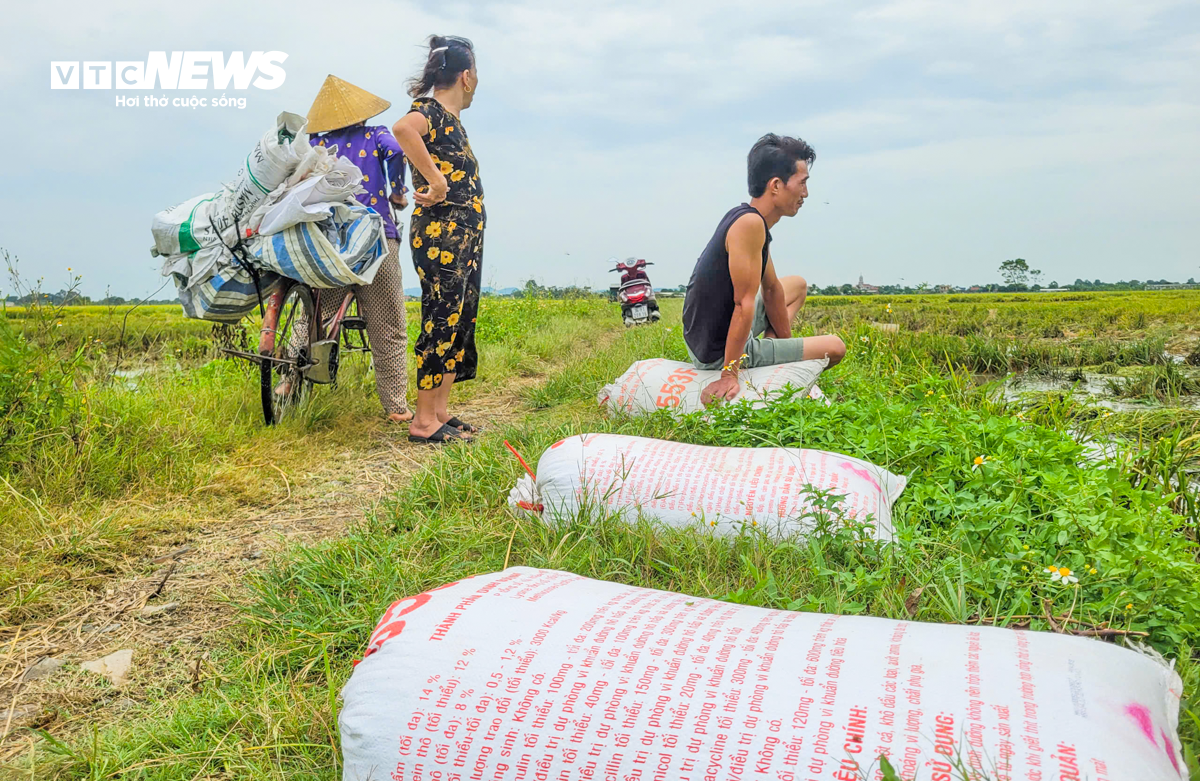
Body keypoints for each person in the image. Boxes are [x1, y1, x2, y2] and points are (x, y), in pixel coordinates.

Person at [682, 133, 846, 407]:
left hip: (712, 331)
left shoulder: (748, 217)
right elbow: (743, 304)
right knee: (836, 347)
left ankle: (774, 360)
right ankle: (752, 365)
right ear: (776, 185)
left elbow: (771, 290)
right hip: (715, 350)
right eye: (802, 183)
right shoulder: (750, 225)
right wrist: (728, 374)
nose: (805, 193)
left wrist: (787, 349)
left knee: (796, 286)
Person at [286, 75, 413, 422]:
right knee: (387, 323)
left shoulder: (316, 144)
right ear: (361, 113)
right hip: (374, 238)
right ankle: (396, 408)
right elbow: (399, 151)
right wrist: (398, 191)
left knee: (317, 315)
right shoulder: (375, 134)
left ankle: (287, 379)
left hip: (329, 239)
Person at [392, 36, 485, 444]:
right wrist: (436, 179)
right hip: (441, 234)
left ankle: (439, 411)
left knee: (459, 319)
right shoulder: (427, 111)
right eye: (476, 72)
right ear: (466, 77)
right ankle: (423, 421)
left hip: (463, 235)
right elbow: (401, 129)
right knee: (440, 317)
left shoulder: (452, 121)